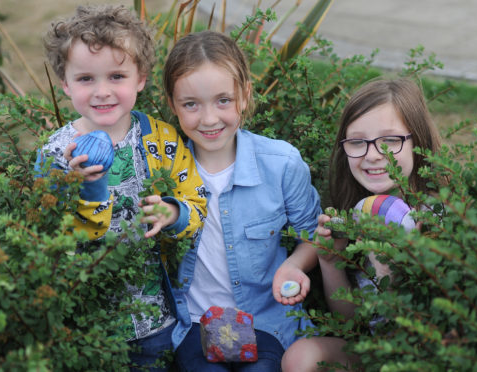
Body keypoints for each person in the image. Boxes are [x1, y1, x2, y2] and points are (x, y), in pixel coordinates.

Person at [36, 5, 207, 371]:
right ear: (65, 83)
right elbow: (51, 234)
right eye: (85, 79)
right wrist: (91, 191)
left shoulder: (161, 139)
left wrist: (175, 213)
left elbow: (197, 200)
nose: (102, 92)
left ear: (140, 78)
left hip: (155, 321)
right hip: (86, 324)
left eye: (117, 76)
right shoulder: (56, 155)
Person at [162, 30, 323, 371]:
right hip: (195, 323)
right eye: (191, 104)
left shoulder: (281, 164)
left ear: (245, 95)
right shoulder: (163, 169)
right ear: (172, 105)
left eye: (224, 100)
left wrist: (293, 266)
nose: (209, 119)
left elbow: (315, 236)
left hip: (264, 321)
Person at [281, 78, 442, 371]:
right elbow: (352, 325)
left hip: (426, 353)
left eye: (390, 140)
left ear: (417, 141)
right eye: (357, 142)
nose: (372, 155)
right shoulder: (356, 212)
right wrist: (331, 261)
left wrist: (393, 270)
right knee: (300, 357)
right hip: (375, 350)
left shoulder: (433, 215)